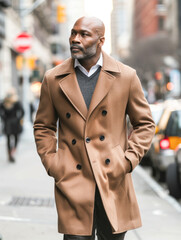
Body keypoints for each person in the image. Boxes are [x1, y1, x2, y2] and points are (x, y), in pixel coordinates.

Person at [34, 17, 155, 240]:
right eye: (73, 33)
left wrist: (128, 160)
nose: (75, 39)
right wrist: (53, 163)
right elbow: (43, 126)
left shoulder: (126, 76)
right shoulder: (53, 78)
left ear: (101, 41)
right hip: (72, 179)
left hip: (112, 177)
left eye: (84, 34)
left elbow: (145, 124)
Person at [0, 88, 24, 162]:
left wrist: (18, 119)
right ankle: (11, 154)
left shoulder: (16, 102)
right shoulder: (4, 102)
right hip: (10, 123)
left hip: (13, 123)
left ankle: (12, 152)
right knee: (10, 139)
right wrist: (4, 119)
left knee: (14, 138)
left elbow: (22, 111)